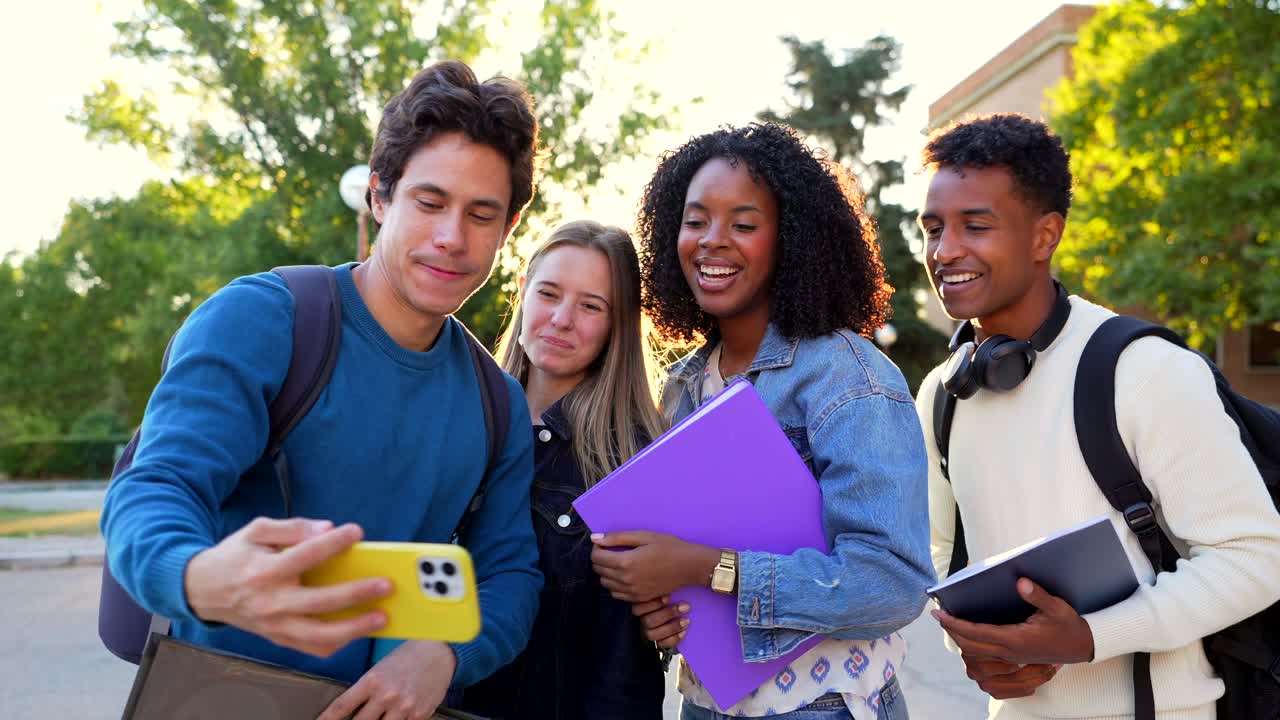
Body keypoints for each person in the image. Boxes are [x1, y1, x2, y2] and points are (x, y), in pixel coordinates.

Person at [100, 59, 545, 720]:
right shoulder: (263, 319)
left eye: (482, 214)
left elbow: (511, 574)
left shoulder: (497, 402)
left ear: (509, 229)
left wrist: (449, 653)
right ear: (379, 197)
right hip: (222, 696)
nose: (453, 237)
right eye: (429, 202)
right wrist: (195, 575)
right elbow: (157, 487)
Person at [914, 112, 1280, 719]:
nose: (945, 251)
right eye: (932, 228)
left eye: (975, 226)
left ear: (1044, 236)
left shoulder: (1146, 371)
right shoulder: (944, 392)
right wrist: (976, 647)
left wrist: (1089, 637)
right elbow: (946, 554)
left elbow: (1256, 559)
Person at [590, 122, 934, 720]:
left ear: (791, 241)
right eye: (695, 221)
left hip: (823, 704)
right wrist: (656, 598)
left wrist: (705, 567)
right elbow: (685, 569)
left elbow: (892, 582)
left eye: (743, 225)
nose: (711, 241)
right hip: (705, 703)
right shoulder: (683, 387)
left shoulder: (848, 378)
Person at [460, 220, 669, 719]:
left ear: (618, 325)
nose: (561, 318)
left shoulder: (636, 457)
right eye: (549, 293)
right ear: (524, 293)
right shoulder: (459, 418)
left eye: (591, 306)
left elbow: (629, 657)